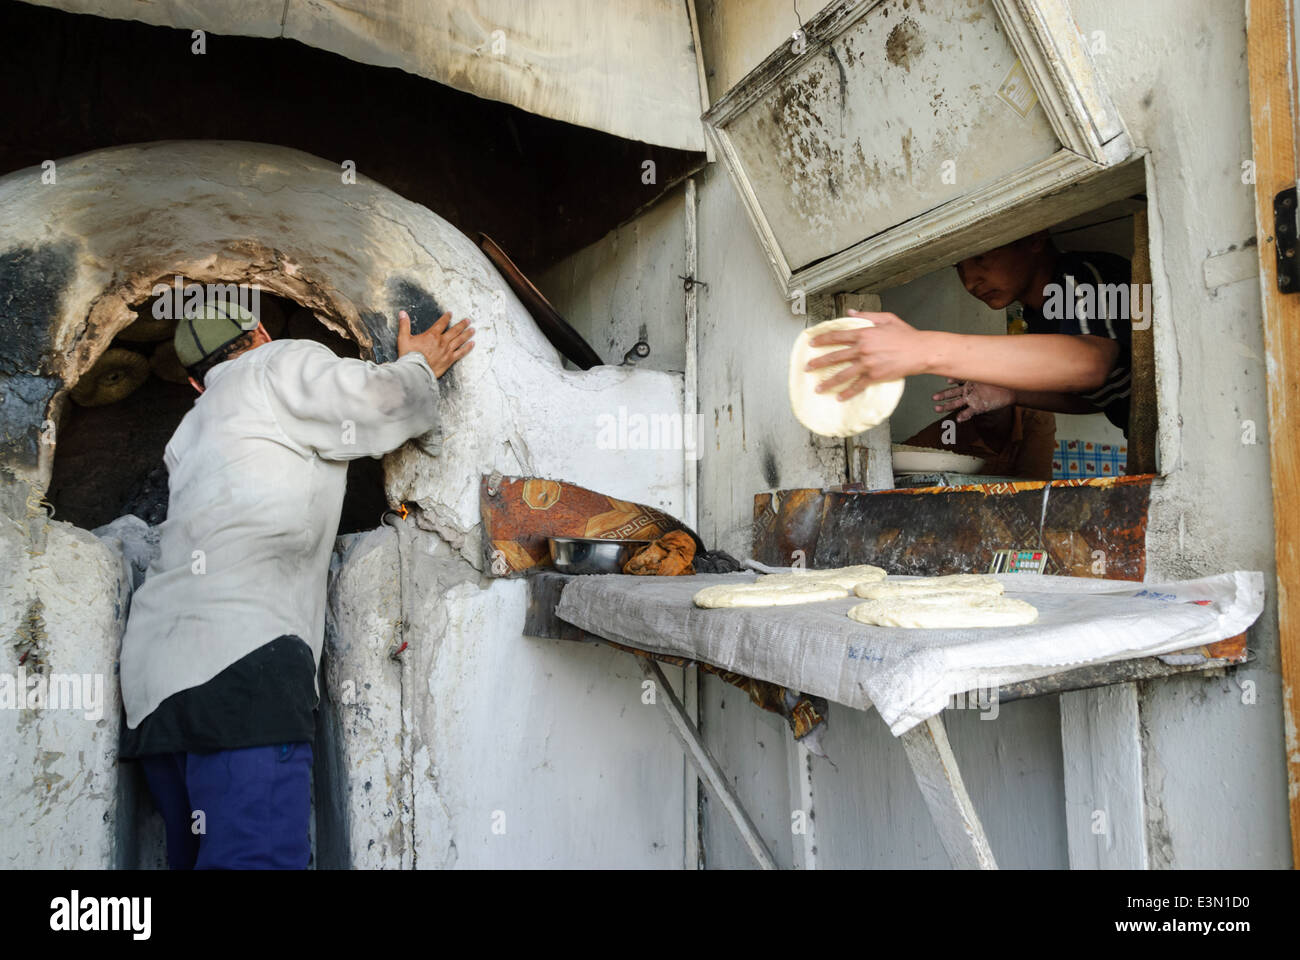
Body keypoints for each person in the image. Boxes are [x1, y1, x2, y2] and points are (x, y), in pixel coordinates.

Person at [118, 297, 474, 869]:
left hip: (154, 687)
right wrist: (418, 366)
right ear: (259, 332)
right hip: (241, 669)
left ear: (194, 381)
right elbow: (386, 403)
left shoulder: (187, 433)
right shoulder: (278, 363)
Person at [808, 232, 1132, 478]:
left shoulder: (1081, 277)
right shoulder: (1038, 314)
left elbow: (1090, 364)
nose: (970, 281)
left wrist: (924, 348)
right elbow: (1096, 397)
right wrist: (1012, 392)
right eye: (959, 267)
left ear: (1034, 238)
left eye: (979, 257)